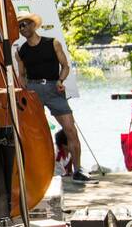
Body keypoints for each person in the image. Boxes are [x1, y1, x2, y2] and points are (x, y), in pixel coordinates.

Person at [13, 13, 90, 182]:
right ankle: (37, 173)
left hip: (54, 88)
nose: (23, 28)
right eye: (20, 26)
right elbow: (22, 75)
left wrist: (61, 81)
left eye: (25, 24)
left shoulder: (52, 43)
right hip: (33, 91)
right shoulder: (21, 51)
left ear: (34, 25)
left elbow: (65, 66)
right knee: (33, 133)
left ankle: (78, 170)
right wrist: (23, 90)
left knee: (70, 129)